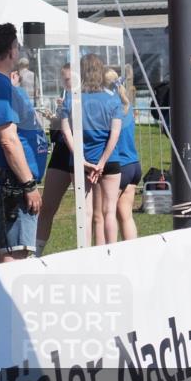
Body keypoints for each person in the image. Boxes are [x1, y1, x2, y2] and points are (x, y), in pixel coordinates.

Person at [0, 24, 45, 264]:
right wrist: (29, 184)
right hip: (7, 180)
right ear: (12, 51)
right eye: (16, 46)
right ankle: (11, 303)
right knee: (15, 254)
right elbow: (8, 140)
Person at [61, 54, 123, 246]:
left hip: (80, 162)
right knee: (109, 210)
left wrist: (80, 159)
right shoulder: (112, 100)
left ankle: (84, 253)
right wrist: (102, 162)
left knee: (85, 212)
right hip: (109, 160)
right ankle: (112, 252)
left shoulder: (71, 99)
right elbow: (115, 134)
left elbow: (65, 131)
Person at [35, 63, 73, 257]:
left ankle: (96, 251)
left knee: (92, 211)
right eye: (63, 79)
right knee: (47, 206)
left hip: (80, 153)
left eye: (67, 79)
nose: (64, 83)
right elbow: (61, 128)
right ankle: (36, 253)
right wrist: (55, 118)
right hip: (60, 152)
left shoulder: (86, 98)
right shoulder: (65, 97)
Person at [104, 70, 142, 241]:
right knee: (125, 215)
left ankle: (108, 252)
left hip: (119, 165)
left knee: (107, 213)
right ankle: (133, 253)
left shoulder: (108, 107)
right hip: (134, 165)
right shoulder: (127, 105)